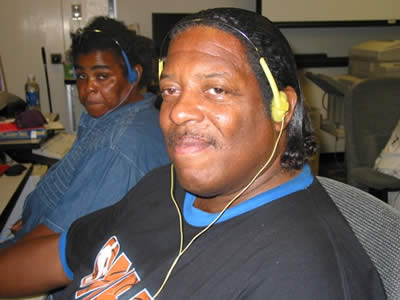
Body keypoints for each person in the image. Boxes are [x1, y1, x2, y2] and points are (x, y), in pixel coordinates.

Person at [0, 8, 386, 300]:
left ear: (280, 108)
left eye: (216, 89)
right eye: (170, 90)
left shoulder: (306, 279)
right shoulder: (164, 186)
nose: (178, 111)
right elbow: (63, 254)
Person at [1, 16, 169, 245]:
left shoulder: (118, 145)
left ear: (134, 75)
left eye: (102, 76)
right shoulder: (122, 114)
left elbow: (60, 243)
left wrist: (24, 242)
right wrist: (35, 217)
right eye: (81, 75)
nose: (88, 87)